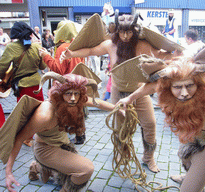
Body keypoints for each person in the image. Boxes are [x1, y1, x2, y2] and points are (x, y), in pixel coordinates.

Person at [116, 55, 205, 192]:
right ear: (168, 87)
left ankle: (193, 181)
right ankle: (189, 176)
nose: (184, 93)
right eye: (177, 87)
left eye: (189, 85)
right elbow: (151, 86)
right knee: (187, 160)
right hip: (191, 134)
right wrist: (129, 99)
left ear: (199, 84)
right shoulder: (165, 86)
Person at [61, 11, 177, 173]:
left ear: (134, 31)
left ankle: (148, 158)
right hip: (117, 92)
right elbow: (90, 51)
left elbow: (160, 54)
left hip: (138, 91)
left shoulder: (142, 45)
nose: (125, 36)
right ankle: (121, 153)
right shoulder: (110, 45)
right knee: (119, 127)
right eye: (122, 31)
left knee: (150, 123)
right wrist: (71, 54)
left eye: (129, 31)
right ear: (117, 31)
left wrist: (175, 55)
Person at [3, 72, 115, 192]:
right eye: (68, 93)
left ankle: (38, 167)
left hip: (62, 144)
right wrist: (8, 172)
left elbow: (97, 103)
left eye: (76, 93)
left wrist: (118, 108)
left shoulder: (74, 100)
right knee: (85, 169)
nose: (73, 98)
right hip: (45, 149)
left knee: (69, 169)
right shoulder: (45, 114)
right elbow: (19, 138)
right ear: (59, 94)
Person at [39, 20, 86, 144]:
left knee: (65, 111)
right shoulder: (76, 45)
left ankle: (67, 138)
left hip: (65, 86)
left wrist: (45, 55)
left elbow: (58, 69)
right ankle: (80, 134)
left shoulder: (63, 47)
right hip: (76, 84)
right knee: (77, 110)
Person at [0, 21, 47, 146]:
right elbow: (43, 65)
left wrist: (3, 78)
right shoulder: (36, 47)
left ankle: (27, 138)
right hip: (38, 84)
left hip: (23, 86)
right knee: (40, 110)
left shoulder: (11, 48)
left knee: (24, 114)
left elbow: (1, 67)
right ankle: (43, 136)